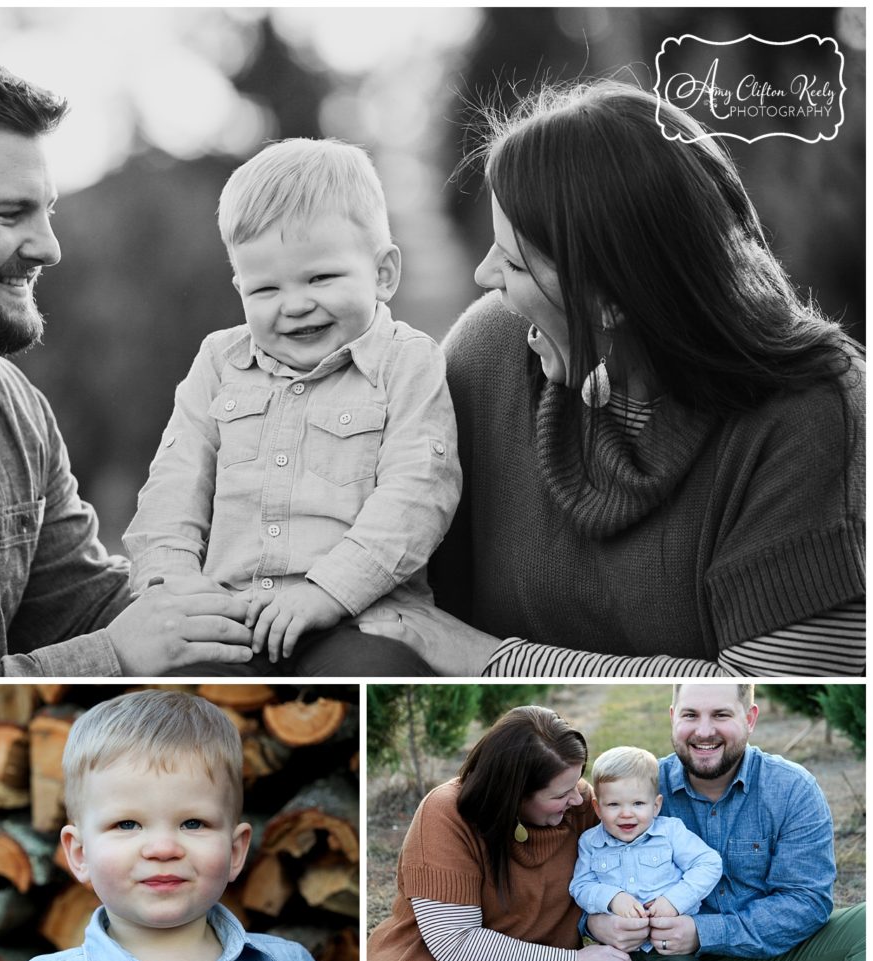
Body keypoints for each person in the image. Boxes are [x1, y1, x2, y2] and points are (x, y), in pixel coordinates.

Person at [357, 79, 865, 676]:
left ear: (613, 299)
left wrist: (487, 658)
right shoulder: (490, 354)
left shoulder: (810, 414)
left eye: (516, 262)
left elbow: (770, 691)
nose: (482, 274)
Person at [0, 43, 255, 676]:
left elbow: (81, 605)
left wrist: (255, 594)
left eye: (47, 210)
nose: (49, 247)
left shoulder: (13, 407)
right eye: (10, 213)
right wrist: (113, 657)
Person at [123, 138, 461, 676]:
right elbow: (173, 485)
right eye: (265, 290)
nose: (295, 305)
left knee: (369, 675)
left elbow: (418, 495)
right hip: (232, 615)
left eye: (321, 278)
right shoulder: (219, 363)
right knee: (183, 684)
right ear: (239, 289)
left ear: (383, 273)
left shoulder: (407, 363)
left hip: (357, 616)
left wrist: (327, 591)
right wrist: (174, 582)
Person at [5, 689, 336, 961]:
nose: (163, 849)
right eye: (127, 824)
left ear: (235, 851)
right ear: (79, 854)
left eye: (192, 823)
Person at [586, 683, 865, 961]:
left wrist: (704, 932)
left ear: (749, 718)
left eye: (721, 714)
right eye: (691, 715)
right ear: (673, 718)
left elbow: (807, 900)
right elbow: (589, 869)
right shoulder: (637, 791)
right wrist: (594, 923)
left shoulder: (791, 788)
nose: (704, 731)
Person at [367, 705, 635, 961]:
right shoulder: (445, 814)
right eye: (561, 794)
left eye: (577, 782)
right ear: (514, 794)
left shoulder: (579, 809)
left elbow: (629, 863)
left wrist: (600, 922)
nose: (577, 798)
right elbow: (454, 941)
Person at [569, 745, 721, 961]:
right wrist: (613, 898)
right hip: (614, 946)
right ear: (597, 807)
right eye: (614, 804)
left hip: (667, 945)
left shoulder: (670, 833)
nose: (626, 814)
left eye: (638, 804)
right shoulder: (591, 842)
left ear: (656, 804)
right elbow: (580, 886)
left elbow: (708, 863)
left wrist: (673, 901)